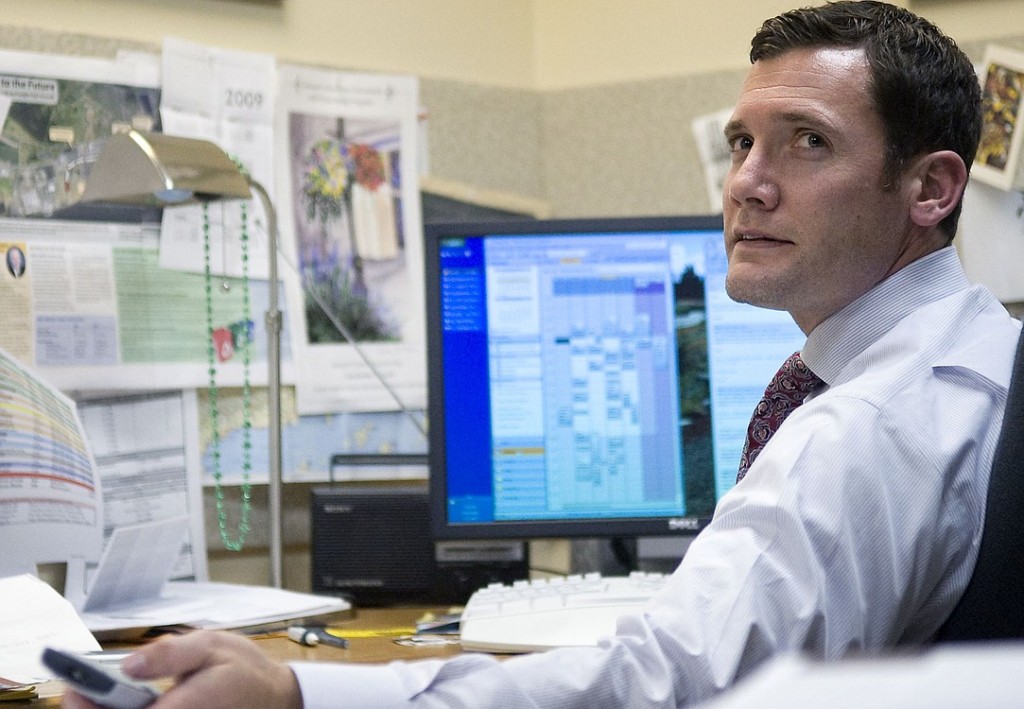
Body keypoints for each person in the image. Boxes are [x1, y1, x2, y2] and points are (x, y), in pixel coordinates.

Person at [64, 2, 1022, 708]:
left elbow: (670, 680)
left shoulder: (867, 424)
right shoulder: (982, 353)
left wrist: (299, 694)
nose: (746, 185)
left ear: (933, 187)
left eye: (806, 142)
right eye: (741, 142)